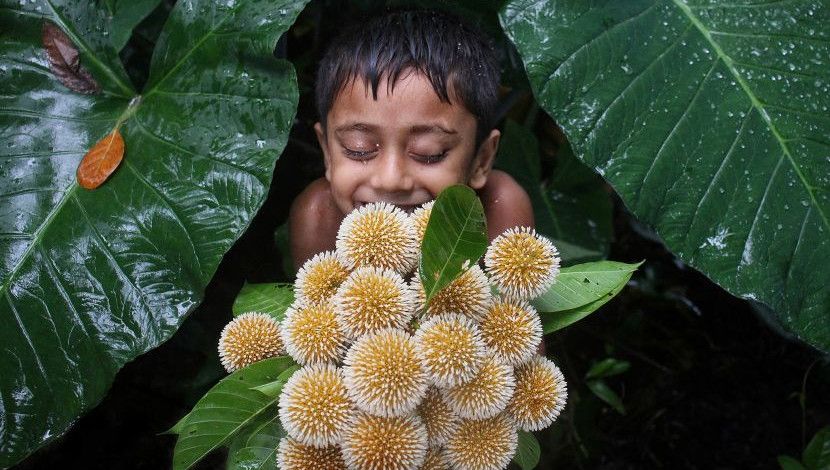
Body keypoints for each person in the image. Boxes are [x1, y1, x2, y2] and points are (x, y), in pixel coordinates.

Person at [289, 9, 533, 269]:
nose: (391, 179)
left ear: (481, 161)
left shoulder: (500, 210)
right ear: (328, 153)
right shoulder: (319, 218)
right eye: (359, 150)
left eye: (429, 153)